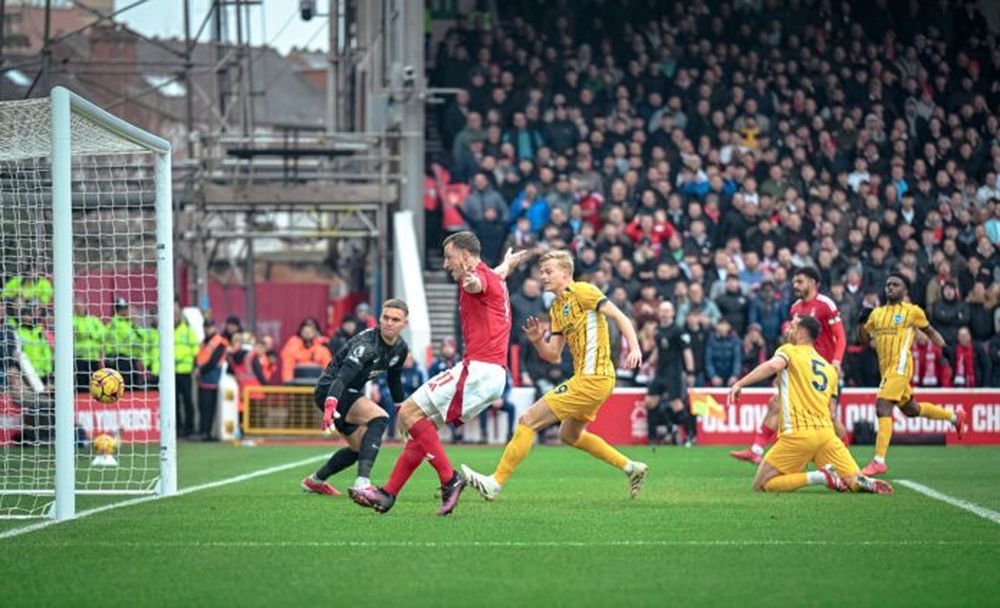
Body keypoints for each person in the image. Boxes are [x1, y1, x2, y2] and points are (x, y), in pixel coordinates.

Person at [349, 233, 529, 515]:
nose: (445, 264)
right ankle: (387, 494)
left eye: (449, 257)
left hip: (479, 370)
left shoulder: (477, 279)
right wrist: (509, 264)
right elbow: (496, 275)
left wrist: (470, 279)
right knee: (422, 431)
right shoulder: (495, 277)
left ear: (466, 257)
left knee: (408, 413)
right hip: (492, 374)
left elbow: (476, 283)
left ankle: (449, 478)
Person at [460, 249, 649, 503]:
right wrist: (537, 340)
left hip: (593, 378)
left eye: (549, 271)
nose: (543, 277)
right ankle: (631, 468)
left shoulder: (583, 291)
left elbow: (619, 316)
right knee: (569, 435)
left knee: (528, 419)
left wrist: (635, 348)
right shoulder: (558, 308)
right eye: (541, 272)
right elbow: (553, 355)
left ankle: (494, 483)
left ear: (566, 272)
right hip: (589, 379)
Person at [727, 315, 893, 494]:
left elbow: (773, 366)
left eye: (792, 327)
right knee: (853, 479)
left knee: (761, 485)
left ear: (802, 332)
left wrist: (740, 383)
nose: (788, 330)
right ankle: (864, 481)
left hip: (798, 435)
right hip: (826, 436)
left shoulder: (789, 351)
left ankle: (820, 477)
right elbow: (832, 411)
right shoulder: (828, 369)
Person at [730, 266, 847, 465]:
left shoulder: (826, 304)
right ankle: (756, 450)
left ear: (813, 283)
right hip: (800, 369)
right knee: (775, 403)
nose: (795, 285)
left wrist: (836, 361)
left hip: (822, 371)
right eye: (794, 282)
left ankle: (845, 457)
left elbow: (841, 337)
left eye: (800, 281)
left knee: (830, 416)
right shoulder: (795, 308)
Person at [858, 274, 967, 476]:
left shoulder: (912, 311)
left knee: (882, 406)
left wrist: (944, 347)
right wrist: (861, 322)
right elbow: (864, 341)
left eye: (895, 284)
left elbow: (930, 331)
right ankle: (954, 417)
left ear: (904, 290)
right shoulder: (877, 314)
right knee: (911, 409)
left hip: (900, 367)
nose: (890, 287)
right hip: (886, 370)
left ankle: (878, 461)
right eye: (888, 284)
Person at [301, 299, 410, 495]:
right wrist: (330, 403)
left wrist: (401, 410)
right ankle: (362, 483)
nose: (389, 323)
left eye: (395, 319)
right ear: (379, 318)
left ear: (405, 324)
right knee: (380, 418)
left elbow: (394, 379)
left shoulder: (400, 348)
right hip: (331, 390)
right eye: (385, 317)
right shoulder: (366, 345)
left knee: (360, 449)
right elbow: (342, 377)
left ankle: (315, 481)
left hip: (348, 393)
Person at [645, 301, 696, 446]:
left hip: (673, 372)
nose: (664, 314)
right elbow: (658, 350)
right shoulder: (657, 330)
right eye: (662, 311)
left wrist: (690, 372)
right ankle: (652, 439)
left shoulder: (678, 330)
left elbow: (687, 352)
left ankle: (691, 434)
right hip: (660, 371)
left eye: (667, 311)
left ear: (673, 313)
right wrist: (648, 363)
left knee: (676, 404)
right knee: (650, 402)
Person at [194, 319, 229, 440]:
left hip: (212, 376)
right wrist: (197, 369)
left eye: (209, 327)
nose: (207, 329)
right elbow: (199, 356)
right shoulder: (205, 341)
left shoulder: (220, 342)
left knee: (208, 406)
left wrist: (200, 370)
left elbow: (214, 361)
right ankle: (202, 431)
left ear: (214, 327)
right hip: (202, 377)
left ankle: (207, 432)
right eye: (205, 327)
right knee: (202, 406)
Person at [280, 317, 332, 383]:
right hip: (297, 386)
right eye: (305, 331)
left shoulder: (323, 349)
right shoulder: (292, 347)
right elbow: (287, 368)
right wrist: (288, 383)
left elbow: (328, 369)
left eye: (310, 331)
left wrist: (326, 383)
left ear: (316, 332)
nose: (308, 333)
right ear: (301, 332)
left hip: (317, 385)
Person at [173, 303, 199, 438]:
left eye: (175, 314)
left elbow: (195, 349)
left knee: (188, 400)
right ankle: (176, 428)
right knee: (174, 401)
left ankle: (190, 428)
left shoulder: (187, 330)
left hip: (185, 371)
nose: (174, 317)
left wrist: (195, 365)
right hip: (171, 372)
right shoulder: (166, 329)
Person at [72, 302, 105, 392]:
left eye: (81, 306)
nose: (80, 309)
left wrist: (91, 334)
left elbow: (102, 335)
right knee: (82, 385)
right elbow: (79, 334)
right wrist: (92, 334)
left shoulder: (94, 320)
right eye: (77, 307)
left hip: (94, 357)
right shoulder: (73, 321)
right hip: (80, 358)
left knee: (96, 384)